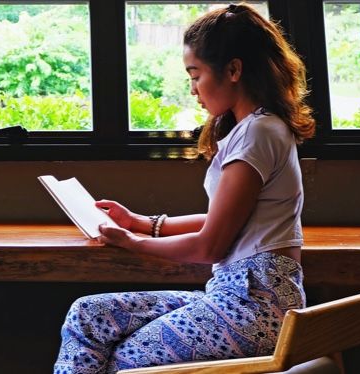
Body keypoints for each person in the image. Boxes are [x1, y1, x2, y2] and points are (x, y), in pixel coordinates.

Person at [53, 3, 315, 373]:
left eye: (195, 75)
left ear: (234, 70)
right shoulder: (257, 129)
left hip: (250, 307)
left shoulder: (258, 133)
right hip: (245, 298)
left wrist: (134, 243)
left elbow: (210, 245)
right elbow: (223, 219)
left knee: (124, 361)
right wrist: (142, 222)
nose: (193, 89)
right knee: (90, 314)